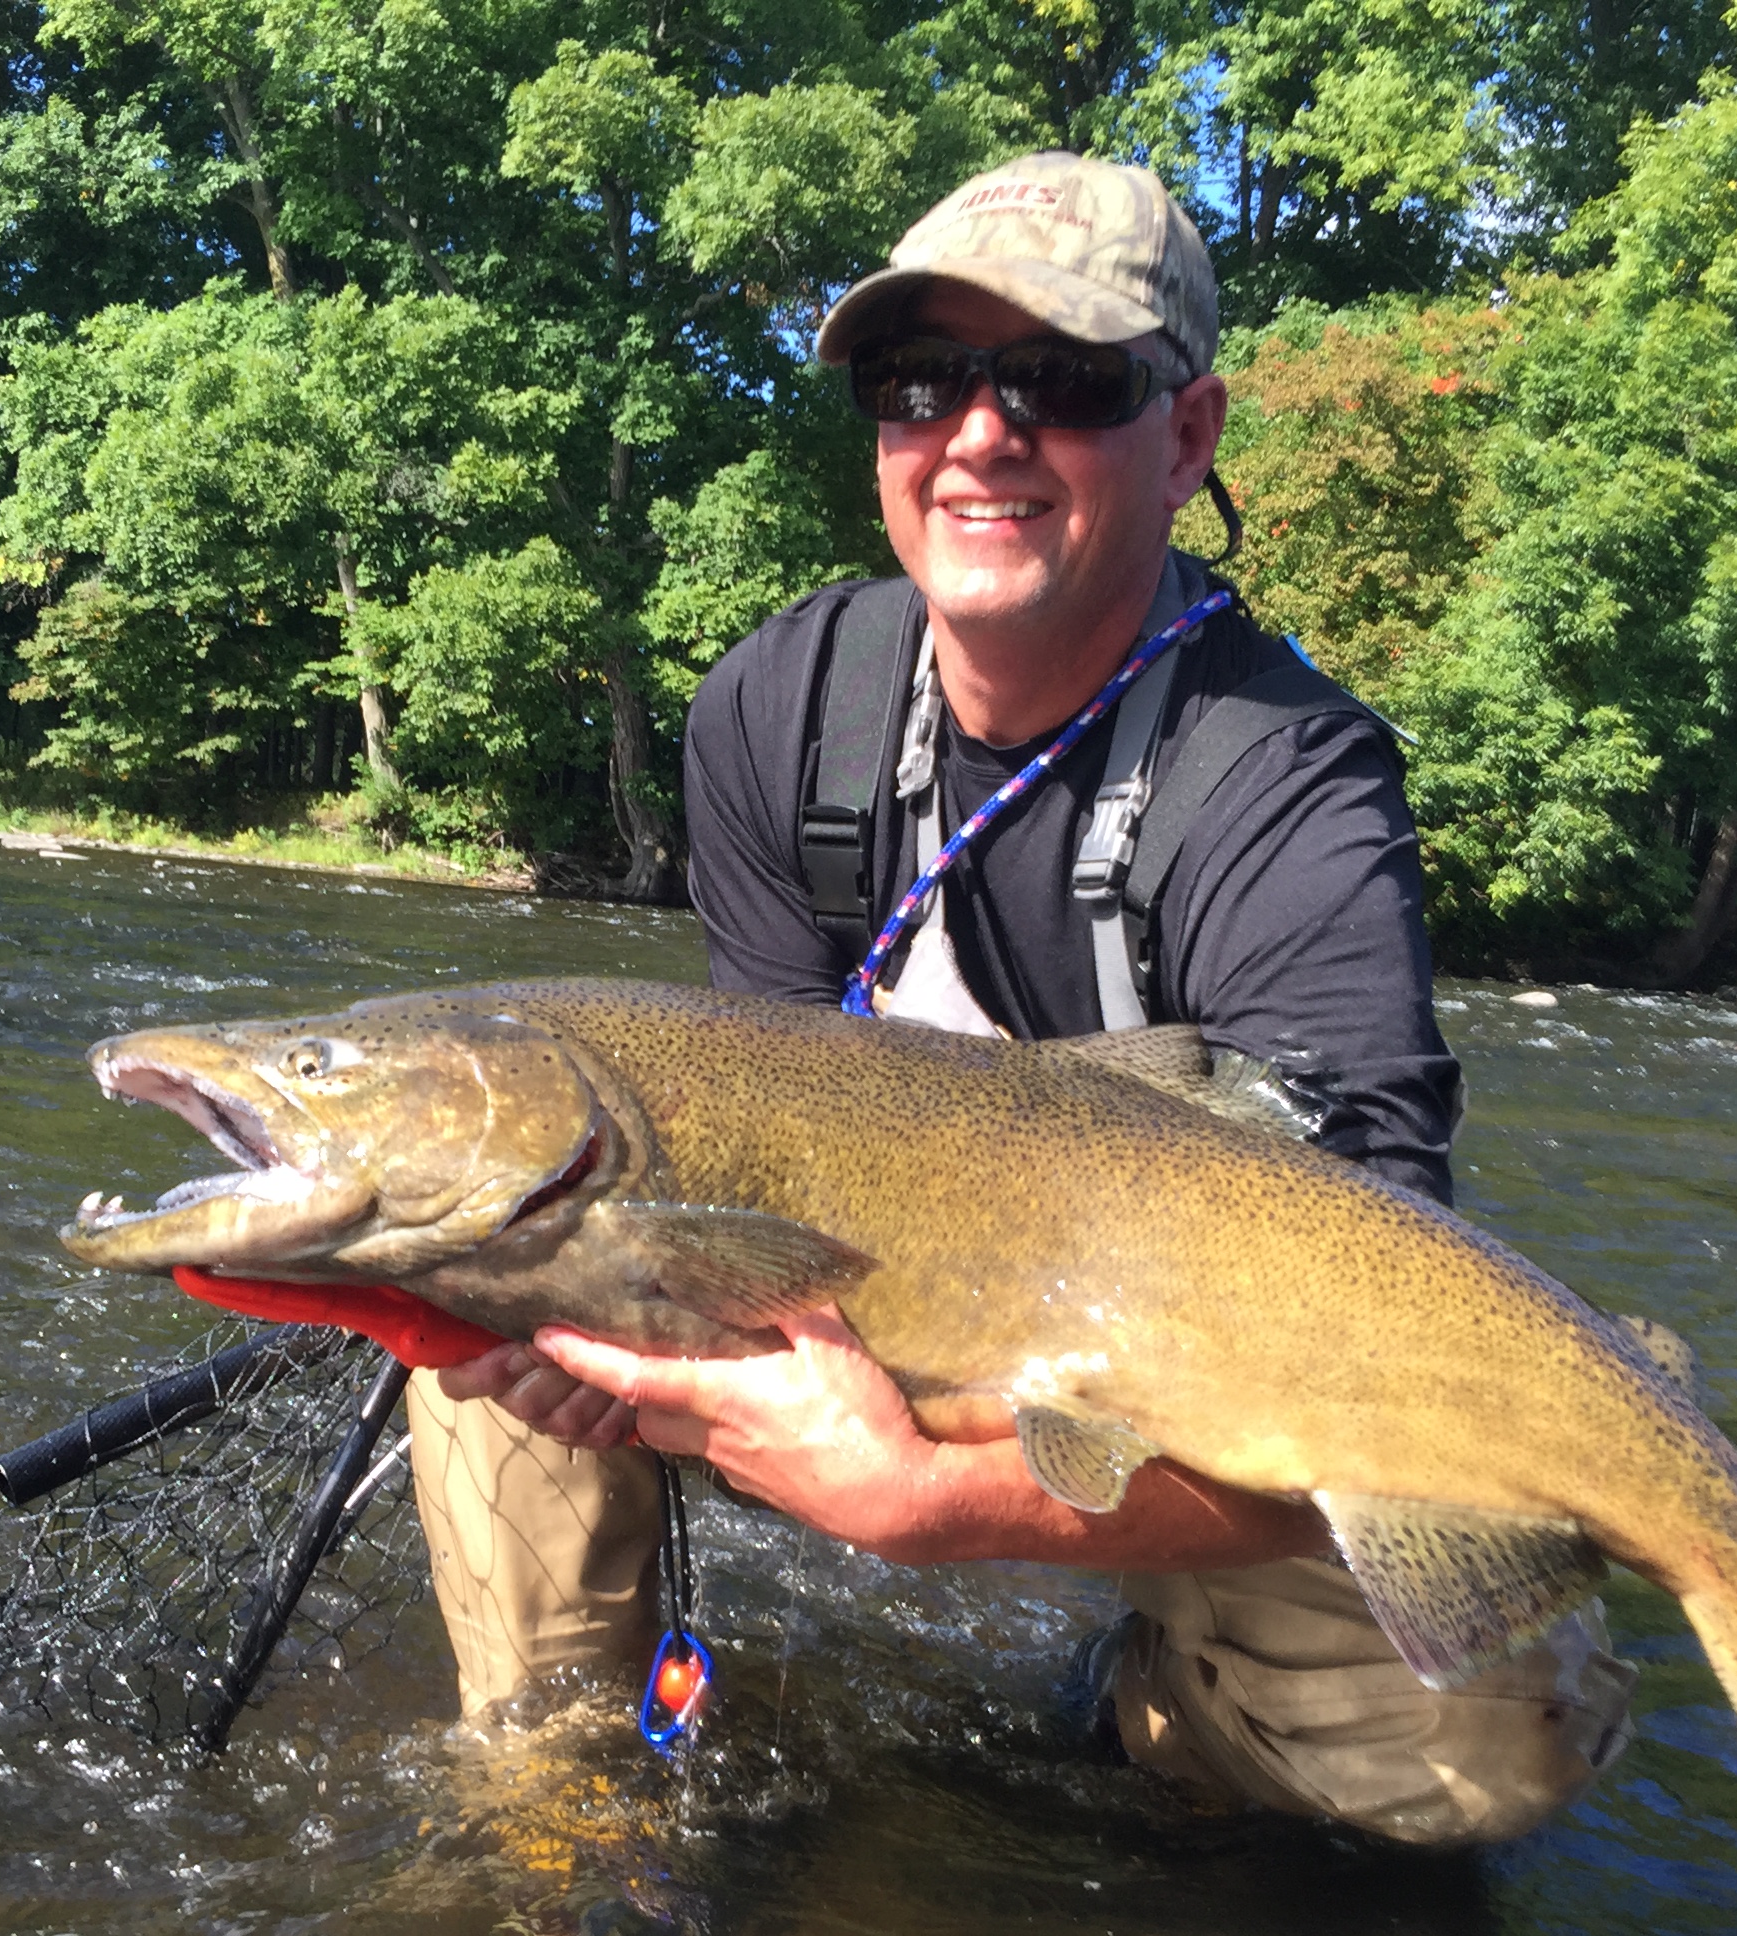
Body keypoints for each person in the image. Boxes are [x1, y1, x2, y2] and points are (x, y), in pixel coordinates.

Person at [406, 153, 1635, 1849]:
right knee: (501, 1282)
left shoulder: (1282, 785)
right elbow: (736, 1148)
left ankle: (1148, 1720)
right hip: (863, 1311)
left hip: (1185, 1387)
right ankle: (555, 1821)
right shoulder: (779, 706)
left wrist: (932, 1505)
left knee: (1492, 1735)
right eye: (920, 384)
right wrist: (604, 1338)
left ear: (1185, 436)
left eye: (1060, 382)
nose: (978, 433)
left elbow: (1376, 1321)